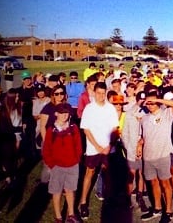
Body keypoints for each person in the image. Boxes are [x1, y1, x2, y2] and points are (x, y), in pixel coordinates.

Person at [138, 93, 173, 222]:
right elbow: (143, 137)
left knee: (165, 184)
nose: (150, 105)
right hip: (148, 157)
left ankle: (168, 211)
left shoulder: (166, 114)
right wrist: (139, 145)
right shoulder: (144, 118)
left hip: (162, 155)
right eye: (148, 103)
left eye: (152, 102)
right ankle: (157, 208)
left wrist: (156, 99)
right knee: (153, 183)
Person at [78, 82, 119, 220]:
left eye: (103, 93)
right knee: (90, 173)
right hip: (93, 148)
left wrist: (109, 145)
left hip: (108, 148)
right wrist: (96, 146)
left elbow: (115, 128)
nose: (101, 96)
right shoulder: (89, 108)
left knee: (107, 173)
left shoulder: (111, 108)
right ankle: (83, 202)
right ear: (94, 93)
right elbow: (86, 129)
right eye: (99, 93)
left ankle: (108, 200)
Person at [42, 104, 82, 223]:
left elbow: (78, 146)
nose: (64, 115)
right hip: (57, 166)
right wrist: (51, 164)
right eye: (62, 113)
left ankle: (71, 214)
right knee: (57, 191)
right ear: (56, 114)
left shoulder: (73, 128)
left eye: (67, 113)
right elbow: (46, 149)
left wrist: (76, 159)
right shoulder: (51, 130)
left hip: (72, 165)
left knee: (70, 190)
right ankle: (58, 217)